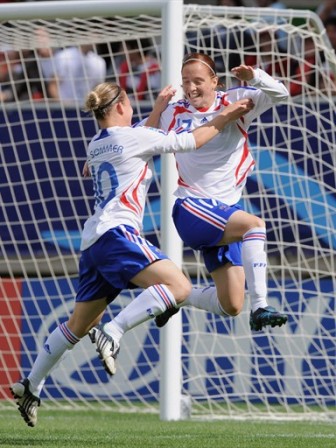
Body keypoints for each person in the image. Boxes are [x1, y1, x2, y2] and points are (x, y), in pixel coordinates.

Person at [10, 81, 253, 427]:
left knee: (77, 325)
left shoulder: (97, 144)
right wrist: (226, 115)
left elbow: (135, 135)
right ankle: (115, 330)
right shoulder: (133, 138)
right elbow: (191, 140)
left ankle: (31, 384)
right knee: (179, 287)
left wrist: (156, 110)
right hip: (118, 233)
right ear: (122, 104)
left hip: (92, 241)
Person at [88, 52, 289, 379]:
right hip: (192, 208)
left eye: (198, 81)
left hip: (223, 215)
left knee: (230, 304)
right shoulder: (175, 112)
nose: (192, 88)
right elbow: (136, 137)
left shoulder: (238, 99)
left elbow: (281, 93)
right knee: (254, 226)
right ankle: (262, 305)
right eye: (186, 82)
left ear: (215, 82)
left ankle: (177, 299)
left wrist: (254, 77)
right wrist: (102, 156)